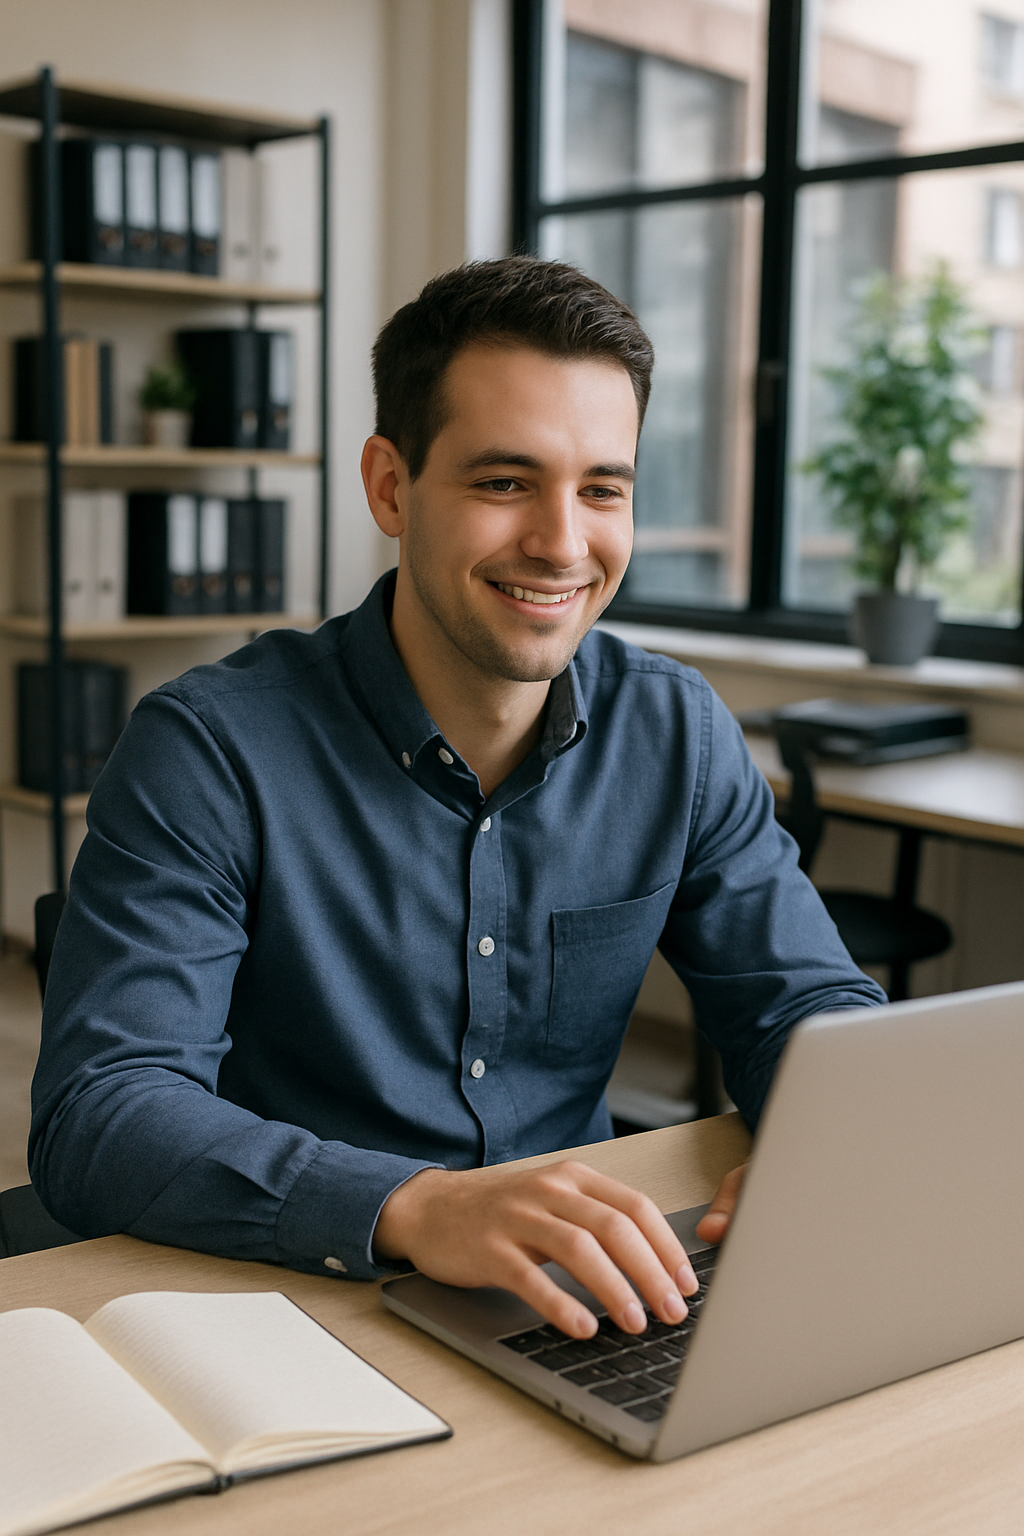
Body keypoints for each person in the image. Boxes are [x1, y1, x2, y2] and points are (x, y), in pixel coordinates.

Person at [31, 257, 884, 1342]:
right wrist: (415, 1206)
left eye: (602, 489)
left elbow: (805, 1003)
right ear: (390, 486)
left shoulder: (676, 730)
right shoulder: (208, 749)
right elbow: (100, 1115)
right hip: (292, 1302)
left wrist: (823, 1145)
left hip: (580, 1291)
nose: (562, 543)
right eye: (504, 482)